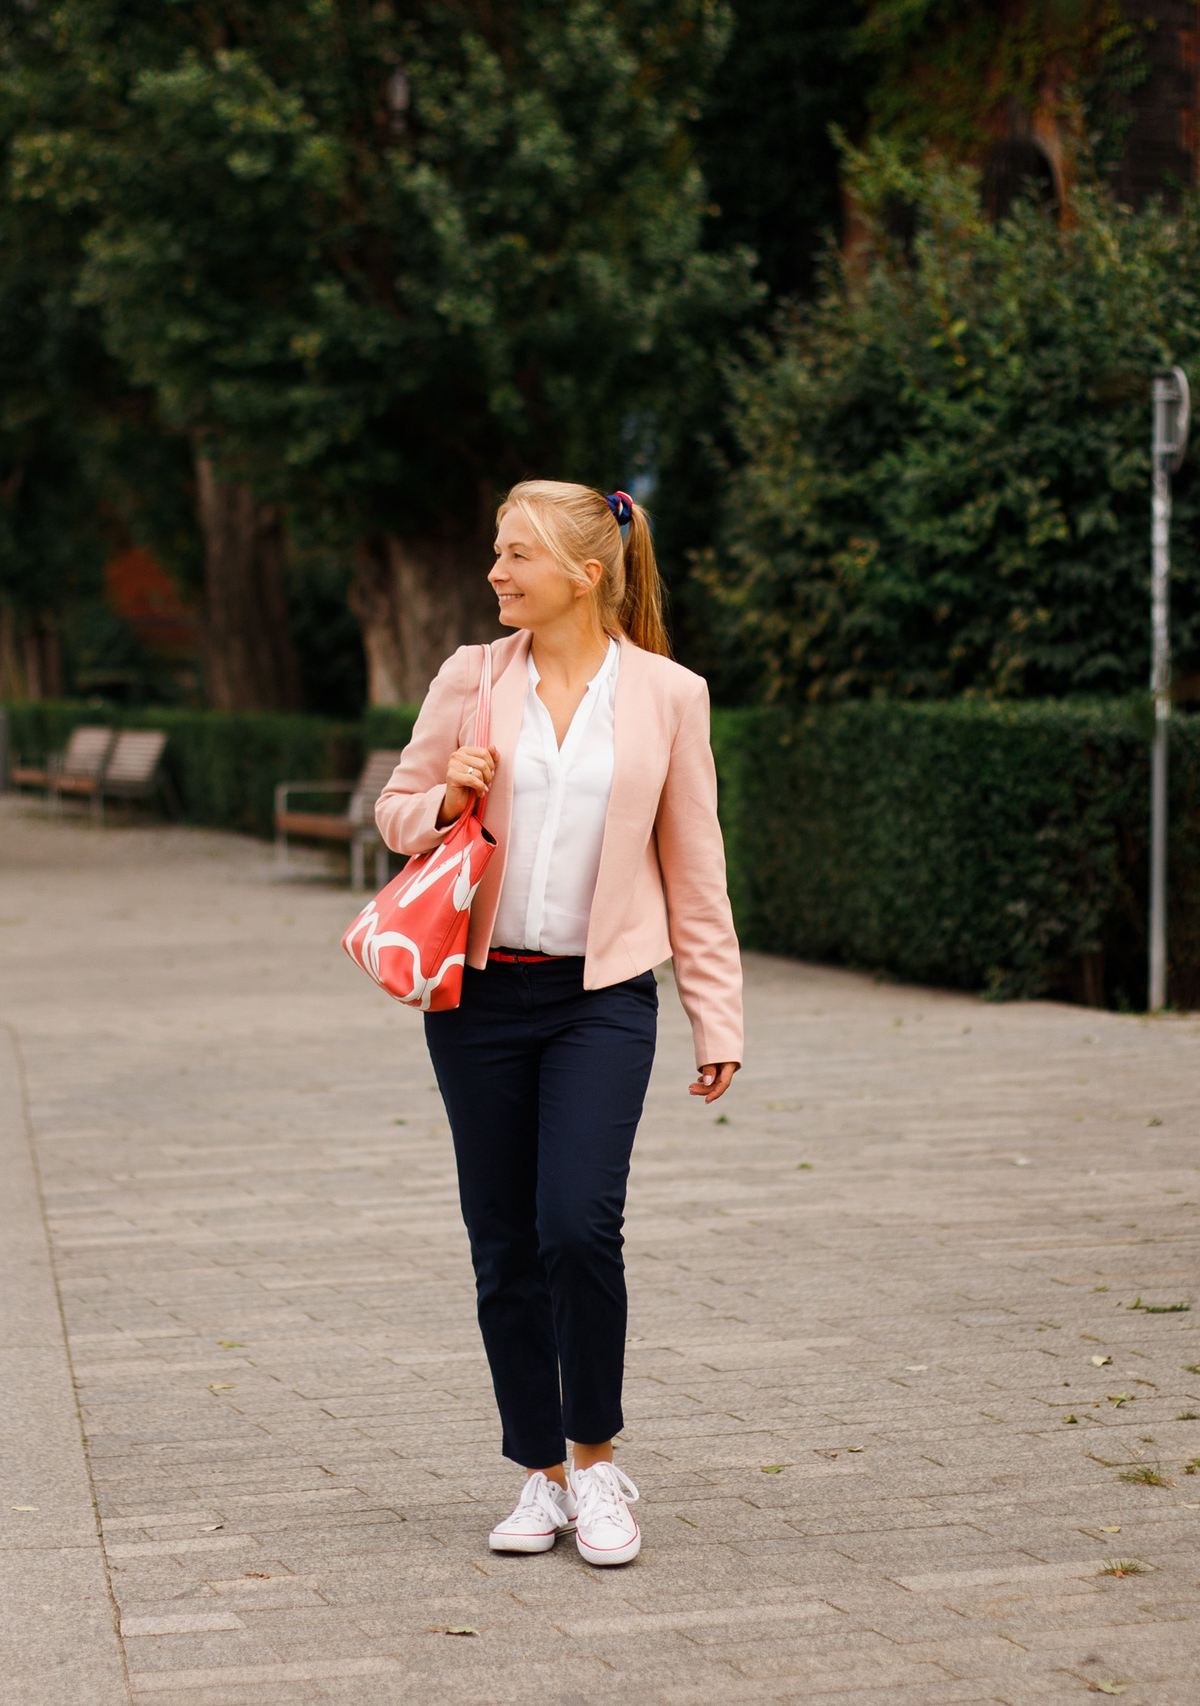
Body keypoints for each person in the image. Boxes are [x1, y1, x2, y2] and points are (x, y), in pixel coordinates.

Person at [375, 481, 744, 1568]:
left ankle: (596, 1462)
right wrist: (443, 796)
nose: (496, 570)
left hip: (603, 1000)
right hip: (478, 997)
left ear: (587, 571)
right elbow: (393, 811)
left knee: (577, 1225)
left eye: (517, 553)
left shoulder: (671, 695)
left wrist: (713, 1015)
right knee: (503, 1243)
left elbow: (696, 868)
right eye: (495, 550)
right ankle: (538, 1474)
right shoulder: (470, 677)